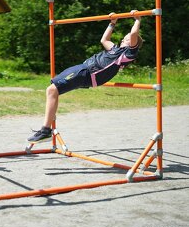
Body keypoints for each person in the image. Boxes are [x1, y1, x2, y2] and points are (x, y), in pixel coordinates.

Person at [28, 10, 143, 144]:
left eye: (128, 37)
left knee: (52, 90)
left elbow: (134, 33)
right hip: (84, 68)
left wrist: (137, 20)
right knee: (52, 89)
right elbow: (104, 40)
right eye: (125, 36)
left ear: (133, 43)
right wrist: (112, 24)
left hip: (88, 73)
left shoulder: (128, 54)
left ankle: (45, 130)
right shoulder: (115, 49)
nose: (125, 37)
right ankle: (46, 127)